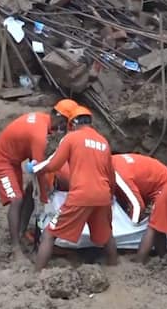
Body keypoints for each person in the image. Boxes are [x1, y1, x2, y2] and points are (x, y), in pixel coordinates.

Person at [27, 106, 118, 271]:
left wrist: (36, 169)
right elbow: (111, 174)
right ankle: (114, 267)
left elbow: (54, 163)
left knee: (49, 233)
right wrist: (110, 195)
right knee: (106, 234)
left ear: (73, 123)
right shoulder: (103, 142)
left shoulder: (72, 138)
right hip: (103, 194)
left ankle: (37, 273)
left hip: (81, 195)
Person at [0, 99, 78, 258]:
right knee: (16, 200)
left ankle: (20, 231)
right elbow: (39, 170)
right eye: (65, 125)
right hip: (2, 160)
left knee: (29, 190)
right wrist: (44, 196)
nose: (63, 129)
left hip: (15, 157)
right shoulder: (39, 135)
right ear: (61, 119)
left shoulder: (43, 120)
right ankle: (15, 247)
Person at [112, 153, 167, 223]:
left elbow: (137, 206)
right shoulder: (111, 162)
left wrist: (132, 228)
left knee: (156, 225)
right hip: (150, 183)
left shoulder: (118, 174)